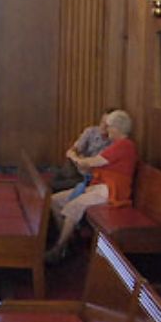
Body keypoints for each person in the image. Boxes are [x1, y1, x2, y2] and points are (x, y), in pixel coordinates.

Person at [46, 108, 138, 263]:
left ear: (116, 128)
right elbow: (89, 166)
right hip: (100, 186)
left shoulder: (124, 145)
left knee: (75, 205)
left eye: (108, 126)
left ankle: (59, 248)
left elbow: (91, 162)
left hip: (112, 192)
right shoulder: (118, 144)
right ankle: (67, 242)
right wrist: (81, 162)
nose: (106, 129)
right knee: (54, 200)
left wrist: (75, 157)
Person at [54, 109, 115, 191]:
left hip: (89, 174)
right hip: (76, 165)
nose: (103, 126)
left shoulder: (114, 143)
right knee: (66, 171)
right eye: (102, 122)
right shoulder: (91, 131)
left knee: (62, 185)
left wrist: (82, 161)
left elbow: (97, 165)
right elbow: (72, 150)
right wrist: (77, 158)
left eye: (107, 124)